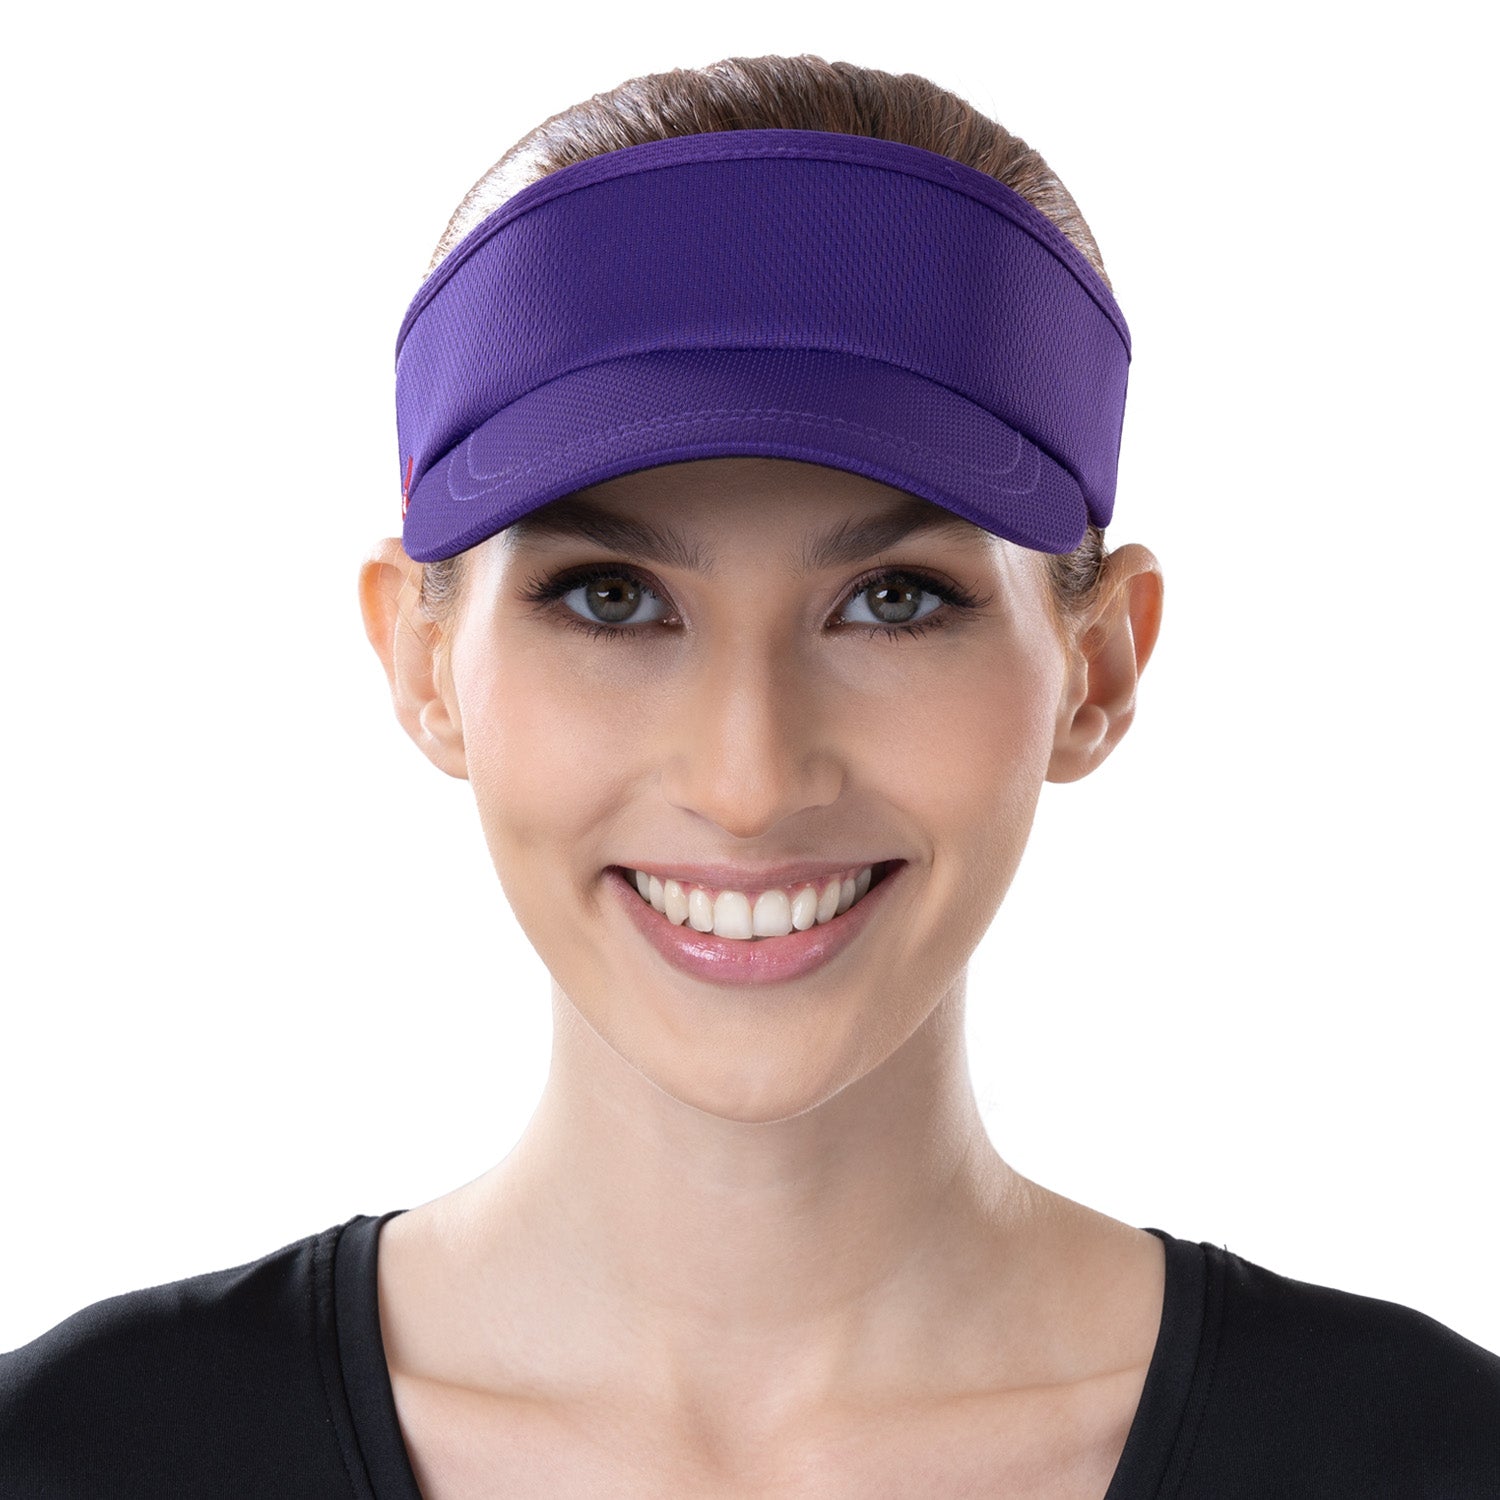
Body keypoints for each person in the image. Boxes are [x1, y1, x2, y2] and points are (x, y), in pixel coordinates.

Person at [2, 51, 1496, 1500]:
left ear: (1095, 669)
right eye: (610, 598)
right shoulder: (78, 1457)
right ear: (422, 662)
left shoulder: (1429, 1459)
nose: (749, 780)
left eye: (895, 600)